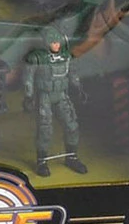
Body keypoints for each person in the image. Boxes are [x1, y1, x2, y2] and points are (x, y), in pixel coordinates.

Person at [22, 25, 86, 176]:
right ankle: (42, 161)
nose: (56, 45)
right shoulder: (37, 58)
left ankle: (72, 157)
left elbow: (73, 74)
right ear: (46, 42)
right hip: (44, 96)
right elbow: (28, 79)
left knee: (72, 125)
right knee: (45, 129)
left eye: (58, 42)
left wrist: (79, 89)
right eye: (53, 42)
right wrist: (28, 97)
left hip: (61, 95)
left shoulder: (66, 57)